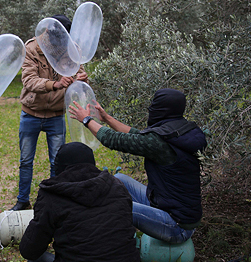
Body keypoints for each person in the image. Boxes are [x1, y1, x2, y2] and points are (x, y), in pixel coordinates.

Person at [68, 88, 207, 244]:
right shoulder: (181, 129)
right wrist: (106, 118)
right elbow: (138, 136)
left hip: (177, 225)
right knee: (119, 179)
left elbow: (113, 139)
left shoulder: (161, 142)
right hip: (167, 206)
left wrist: (87, 120)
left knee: (113, 205)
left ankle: (115, 247)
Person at [11, 14, 89, 211]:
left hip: (56, 115)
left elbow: (79, 78)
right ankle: (22, 201)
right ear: (47, 32)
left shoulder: (72, 49)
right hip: (31, 113)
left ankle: (54, 202)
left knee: (58, 161)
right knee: (26, 161)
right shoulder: (31, 48)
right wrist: (55, 84)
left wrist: (82, 79)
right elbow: (29, 81)